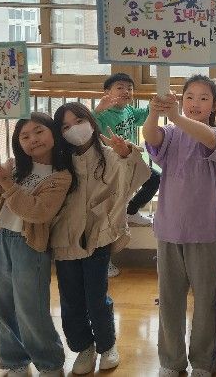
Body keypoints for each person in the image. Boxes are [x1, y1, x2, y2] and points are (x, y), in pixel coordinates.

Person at [52, 102, 150, 375]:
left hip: (98, 237)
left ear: (91, 121)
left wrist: (126, 154)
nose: (74, 130)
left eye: (78, 121)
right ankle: (84, 347)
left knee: (96, 297)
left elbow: (136, 177)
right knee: (70, 299)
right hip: (65, 238)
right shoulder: (59, 161)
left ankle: (107, 346)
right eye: (66, 126)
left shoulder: (109, 154)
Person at [0, 113, 74, 377]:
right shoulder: (15, 166)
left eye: (39, 131)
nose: (33, 140)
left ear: (53, 133)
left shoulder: (60, 176)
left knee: (32, 308)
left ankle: (50, 364)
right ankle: (15, 362)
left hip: (29, 246)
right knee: (1, 305)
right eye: (25, 136)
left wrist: (7, 183)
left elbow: (37, 212)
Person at [143, 75, 216, 377]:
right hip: (169, 229)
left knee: (206, 300)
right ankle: (171, 360)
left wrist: (177, 116)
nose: (196, 103)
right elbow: (151, 137)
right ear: (181, 99)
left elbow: (208, 140)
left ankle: (204, 361)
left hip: (204, 231)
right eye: (190, 96)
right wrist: (154, 112)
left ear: (214, 106)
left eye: (204, 98)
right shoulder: (170, 133)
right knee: (169, 300)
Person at [94, 73, 161, 276]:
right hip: (112, 168)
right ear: (107, 92)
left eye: (129, 88)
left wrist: (159, 99)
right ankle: (104, 262)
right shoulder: (102, 115)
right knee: (110, 214)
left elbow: (148, 113)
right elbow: (88, 124)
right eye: (120, 87)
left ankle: (132, 211)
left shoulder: (130, 111)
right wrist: (98, 109)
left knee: (154, 178)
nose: (126, 91)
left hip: (130, 162)